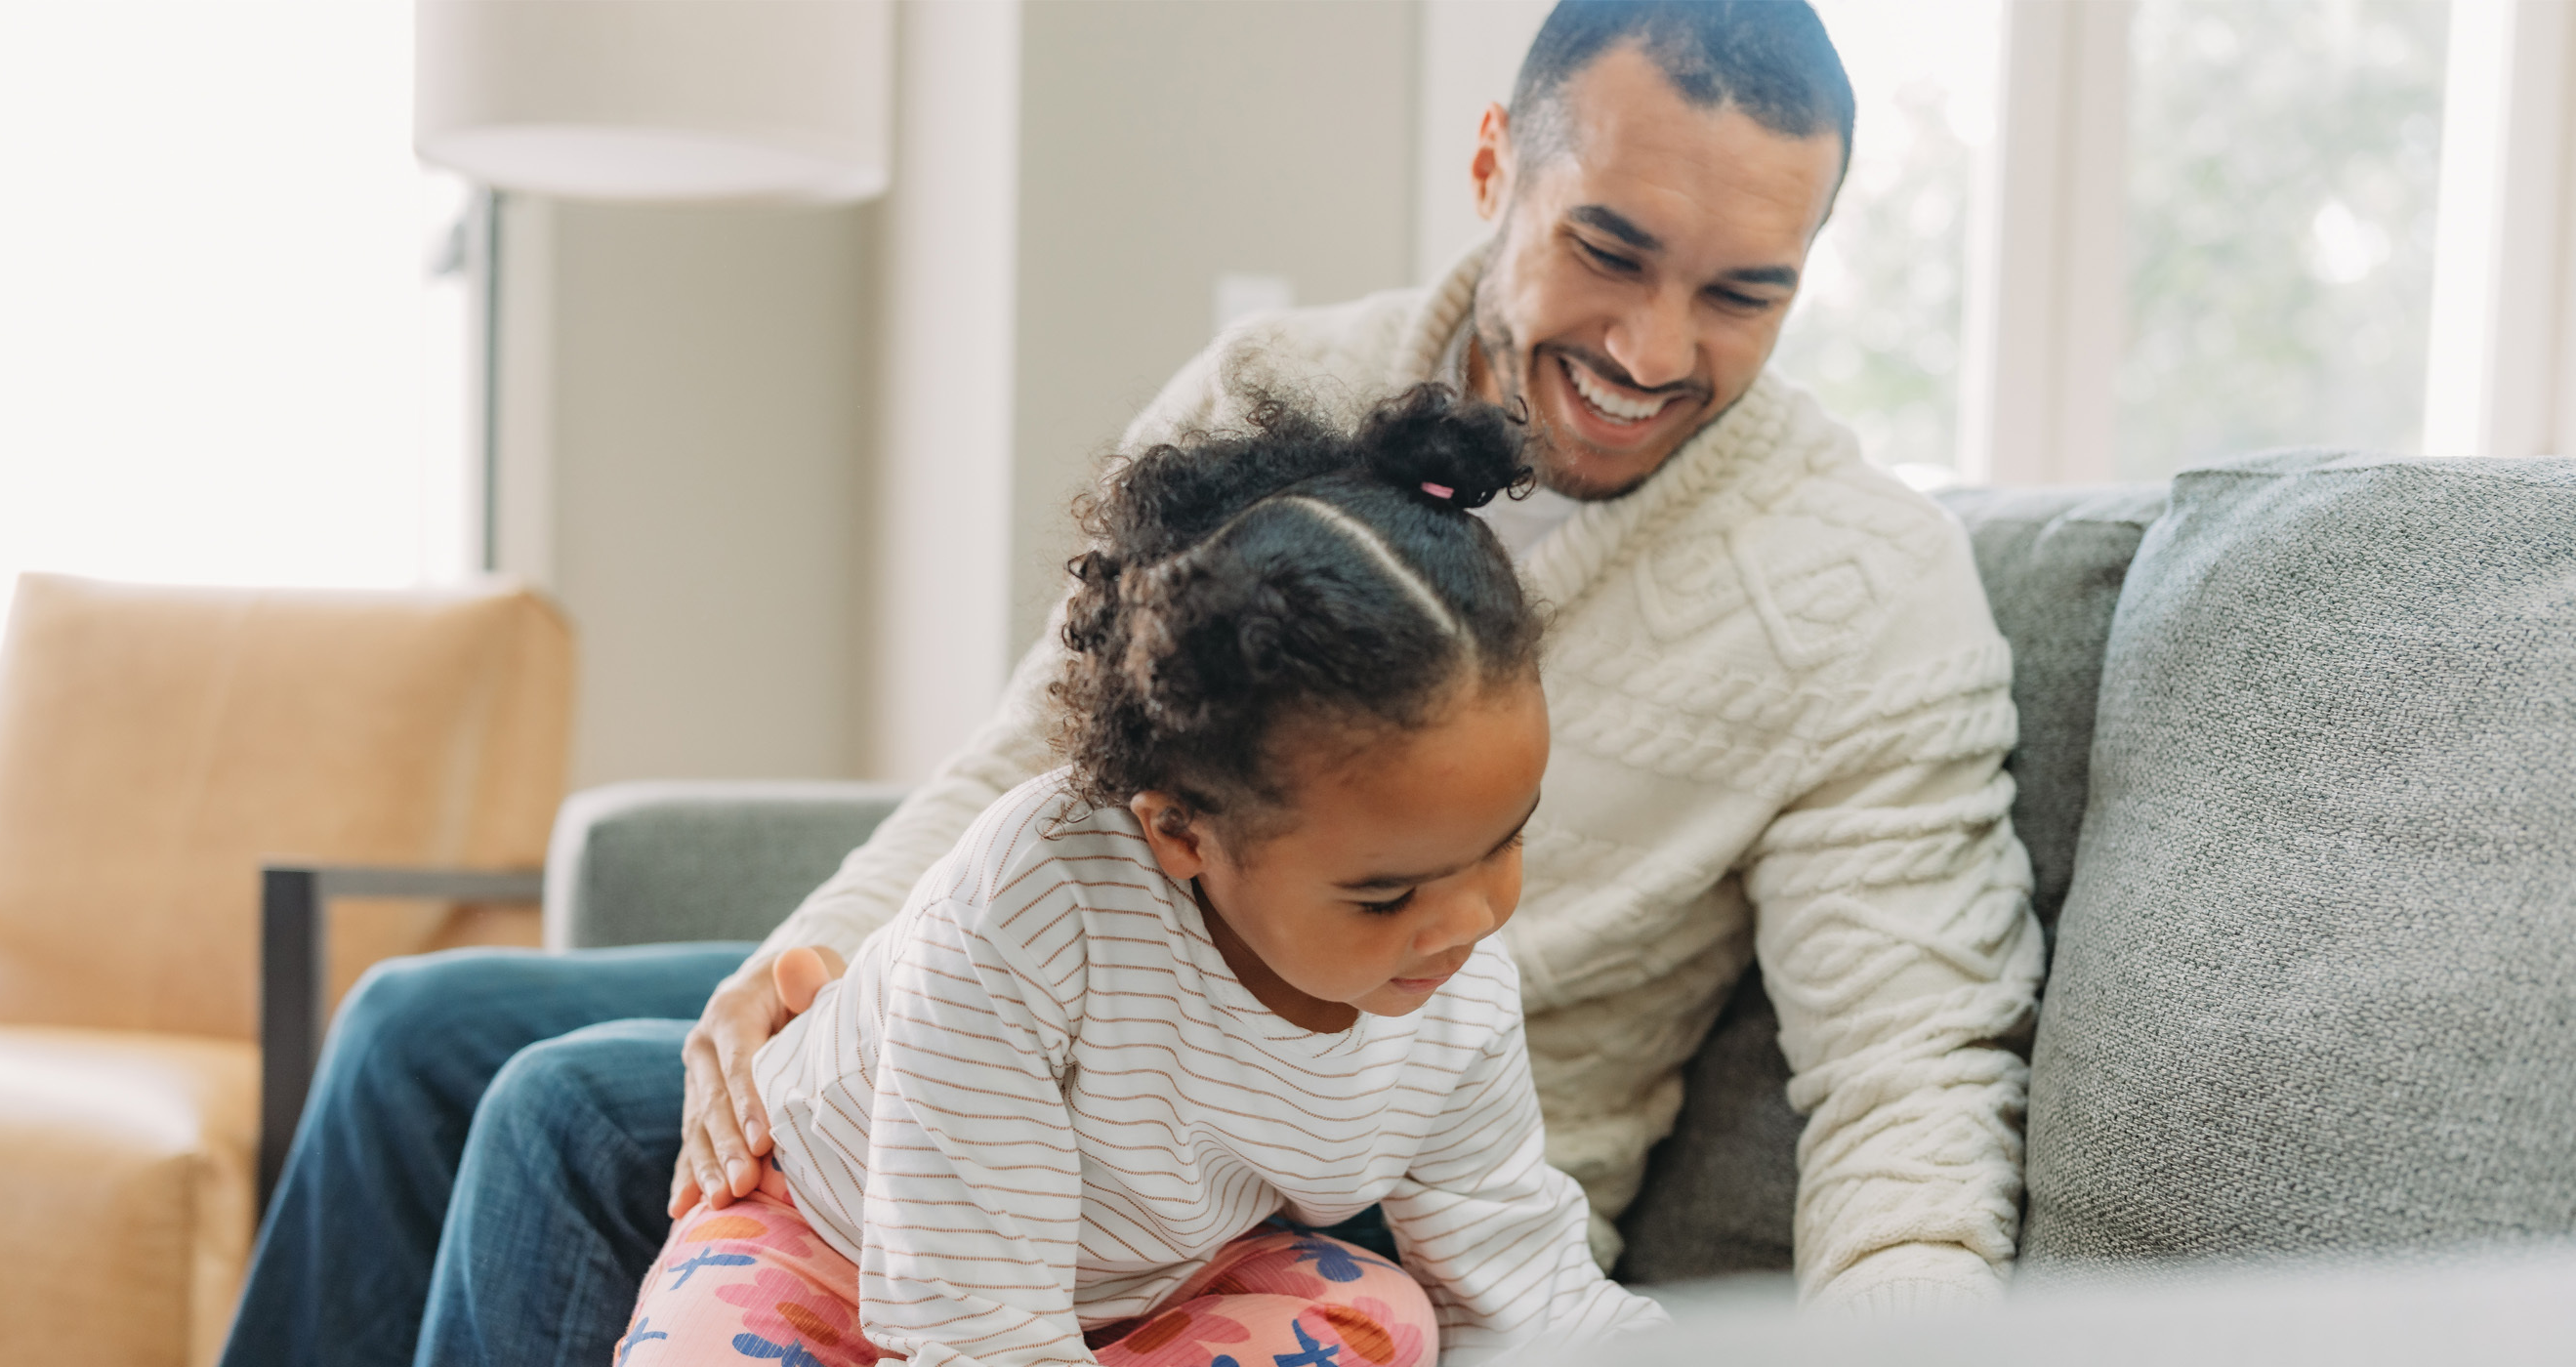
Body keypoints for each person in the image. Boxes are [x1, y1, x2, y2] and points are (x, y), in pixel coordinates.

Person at [223, 4, 2043, 1364]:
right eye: (1609, 251)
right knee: (408, 1039)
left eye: (1744, 294)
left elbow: (1908, 1079)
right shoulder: (1283, 387)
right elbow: (1034, 757)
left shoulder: (1866, 593)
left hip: (1359, 1141)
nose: (1656, 349)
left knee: (551, 1109)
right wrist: (822, 961)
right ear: (1497, 169)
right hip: (1094, 1009)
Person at [613, 388, 1664, 1367]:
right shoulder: (1030, 908)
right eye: (1386, 895)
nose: (1468, 919)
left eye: (1504, 842)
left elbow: (1525, 1278)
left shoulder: (1456, 988)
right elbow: (979, 1320)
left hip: (1133, 1287)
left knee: (1382, 1317)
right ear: (1179, 831)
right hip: (839, 1230)